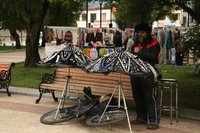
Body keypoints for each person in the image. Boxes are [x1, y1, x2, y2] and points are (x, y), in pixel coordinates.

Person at [130, 23, 160, 130]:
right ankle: (141, 117)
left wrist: (140, 53)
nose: (140, 34)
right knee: (137, 96)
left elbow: (155, 58)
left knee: (149, 97)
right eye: (139, 32)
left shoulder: (154, 43)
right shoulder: (135, 44)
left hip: (147, 73)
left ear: (147, 33)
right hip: (136, 74)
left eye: (142, 32)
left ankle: (154, 120)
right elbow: (132, 56)